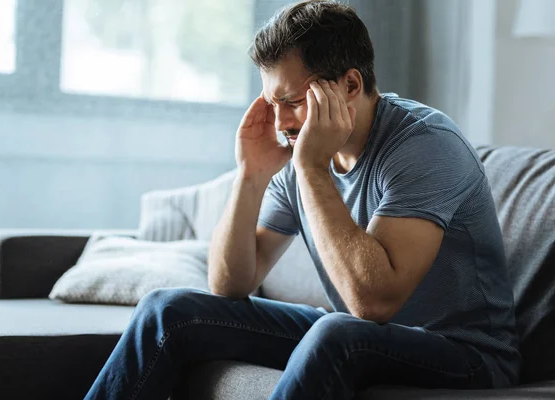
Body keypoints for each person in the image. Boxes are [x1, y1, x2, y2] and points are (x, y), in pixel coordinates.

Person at [85, 1, 521, 399]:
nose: (279, 122)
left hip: (466, 356)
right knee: (169, 310)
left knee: (337, 332)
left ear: (350, 84)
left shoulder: (425, 146)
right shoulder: (299, 151)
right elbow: (230, 283)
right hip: (361, 336)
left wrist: (311, 169)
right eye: (272, 103)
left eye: (292, 101)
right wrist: (251, 176)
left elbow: (373, 304)